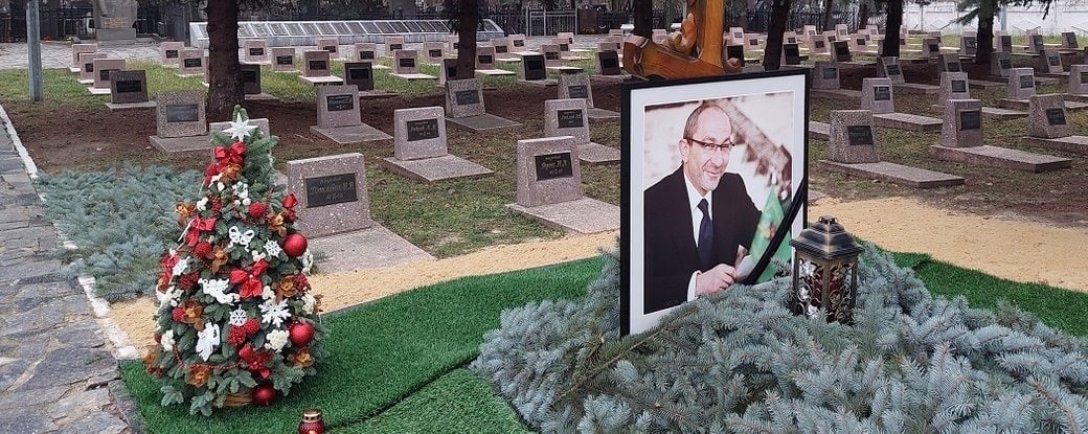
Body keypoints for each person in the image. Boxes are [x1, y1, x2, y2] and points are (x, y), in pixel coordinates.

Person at [643, 101, 761, 314]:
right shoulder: (651, 204)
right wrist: (697, 284)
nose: (719, 161)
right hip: (675, 322)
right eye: (708, 145)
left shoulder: (733, 188)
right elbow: (641, 288)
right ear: (685, 149)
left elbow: (765, 237)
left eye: (725, 146)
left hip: (729, 316)